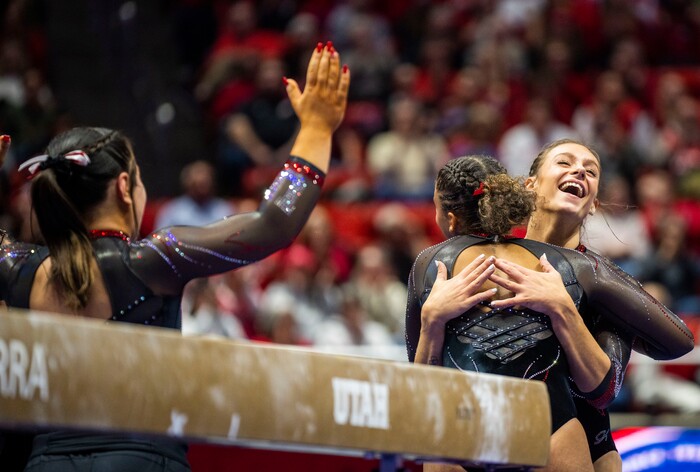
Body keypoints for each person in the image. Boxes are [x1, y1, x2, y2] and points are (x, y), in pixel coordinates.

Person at [0, 42, 349, 472]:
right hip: (140, 462)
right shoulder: (149, 261)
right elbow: (273, 223)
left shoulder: (17, 267)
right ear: (125, 187)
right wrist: (316, 129)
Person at [404, 153, 694, 471]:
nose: (578, 172)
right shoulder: (575, 268)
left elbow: (605, 391)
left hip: (562, 432)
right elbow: (422, 394)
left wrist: (563, 309)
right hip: (544, 424)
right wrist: (433, 319)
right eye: (565, 163)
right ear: (529, 188)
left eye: (591, 170)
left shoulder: (588, 271)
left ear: (449, 217)